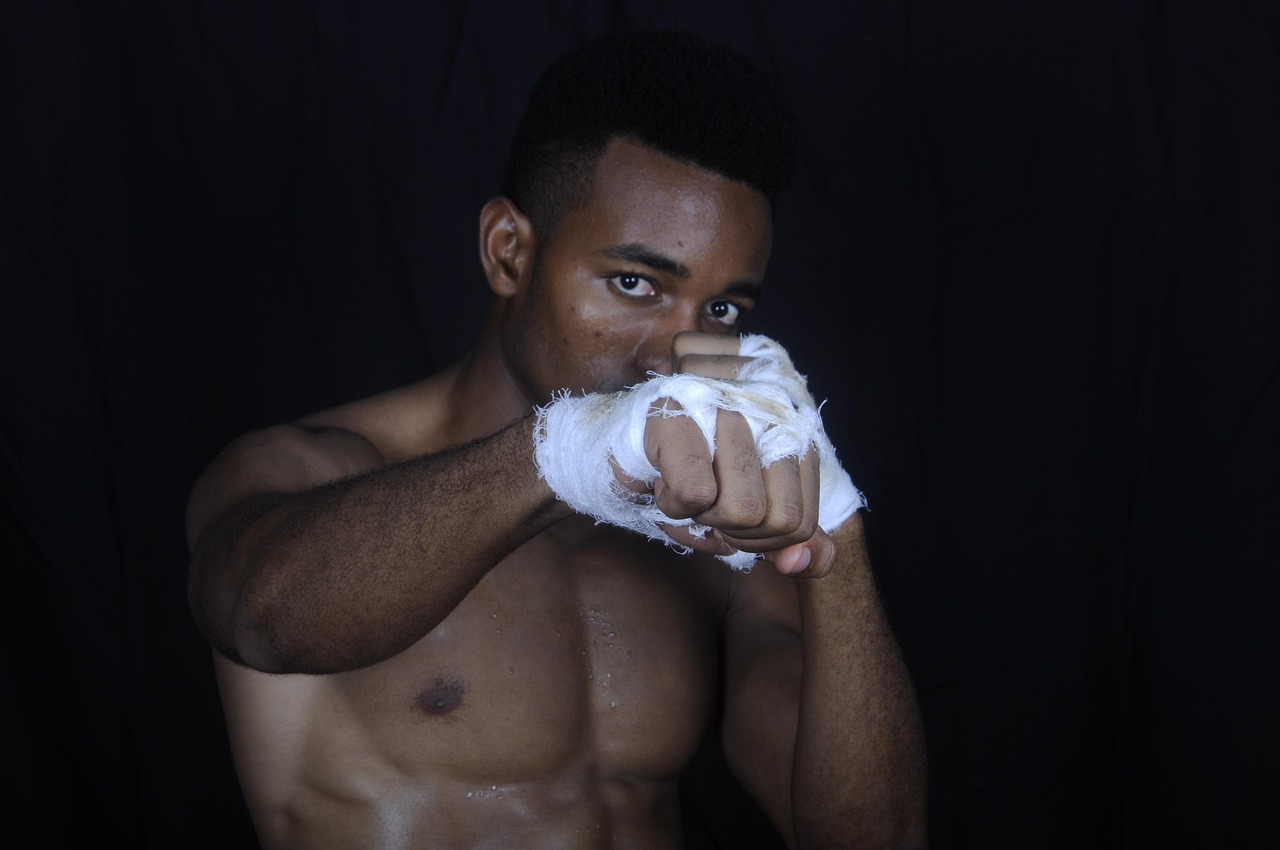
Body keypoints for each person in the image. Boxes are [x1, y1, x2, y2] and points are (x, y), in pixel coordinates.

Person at [186, 28, 927, 850]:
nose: (676, 355)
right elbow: (262, 620)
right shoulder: (308, 469)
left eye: (721, 310)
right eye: (634, 283)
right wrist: (564, 455)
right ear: (509, 253)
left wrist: (834, 527)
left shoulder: (711, 541)